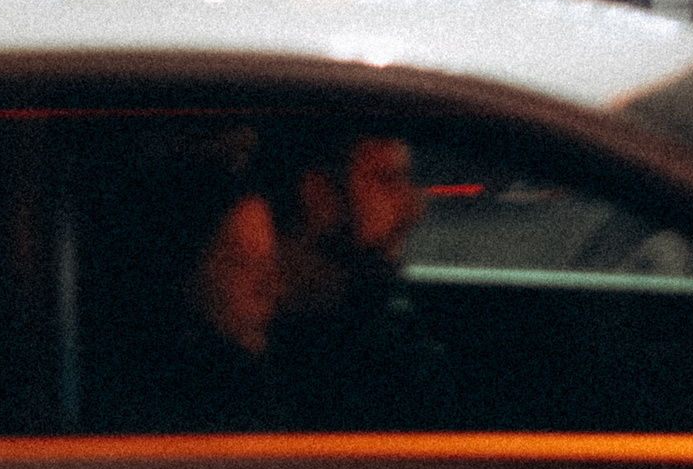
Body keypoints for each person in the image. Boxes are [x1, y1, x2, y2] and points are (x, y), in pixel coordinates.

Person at [76, 128, 283, 433]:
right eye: (239, 263)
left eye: (270, 262)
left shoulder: (272, 387)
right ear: (182, 273)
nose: (270, 288)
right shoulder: (156, 413)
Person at [260, 129, 446, 431]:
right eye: (387, 180)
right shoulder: (313, 358)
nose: (415, 208)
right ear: (319, 194)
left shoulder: (353, 314)